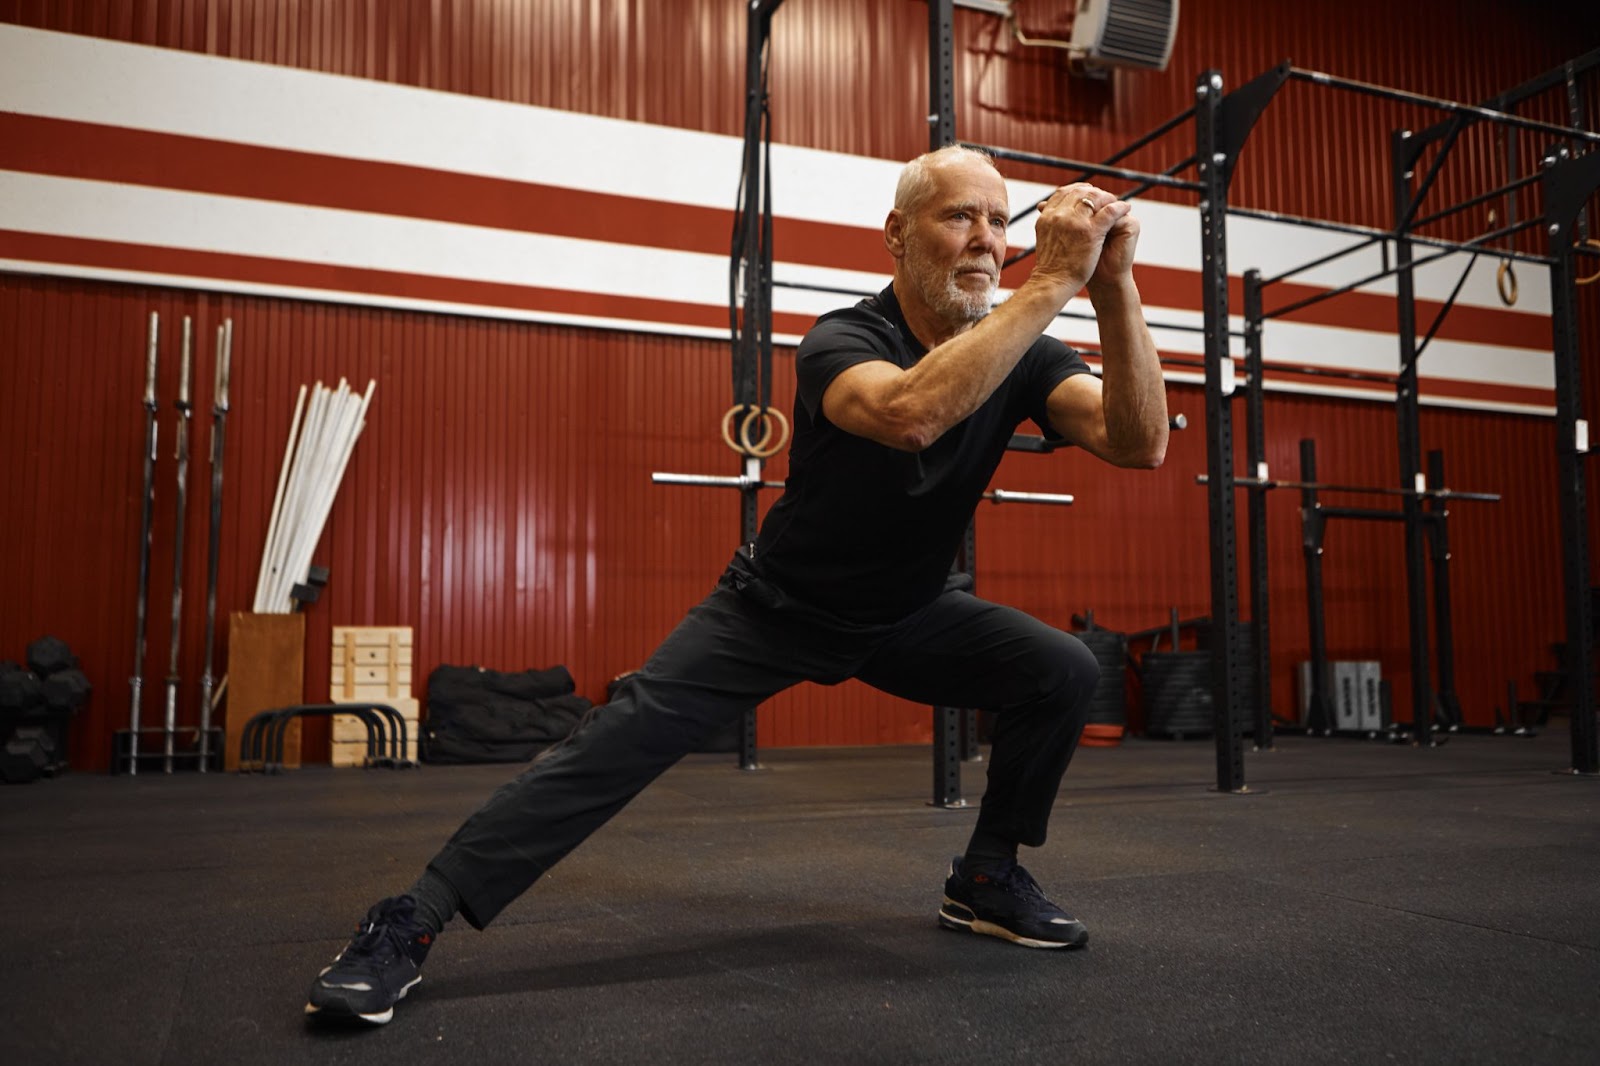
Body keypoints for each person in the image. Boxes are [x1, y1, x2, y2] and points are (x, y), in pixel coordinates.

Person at [305, 145, 1168, 1025]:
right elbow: (911, 413)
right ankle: (411, 919)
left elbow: (1141, 441)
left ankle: (985, 878)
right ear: (897, 237)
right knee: (609, 747)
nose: (985, 240)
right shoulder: (845, 338)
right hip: (775, 609)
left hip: (909, 611)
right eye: (959, 217)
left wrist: (1113, 287)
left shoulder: (1026, 348)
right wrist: (1052, 282)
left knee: (1061, 669)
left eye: (998, 221)